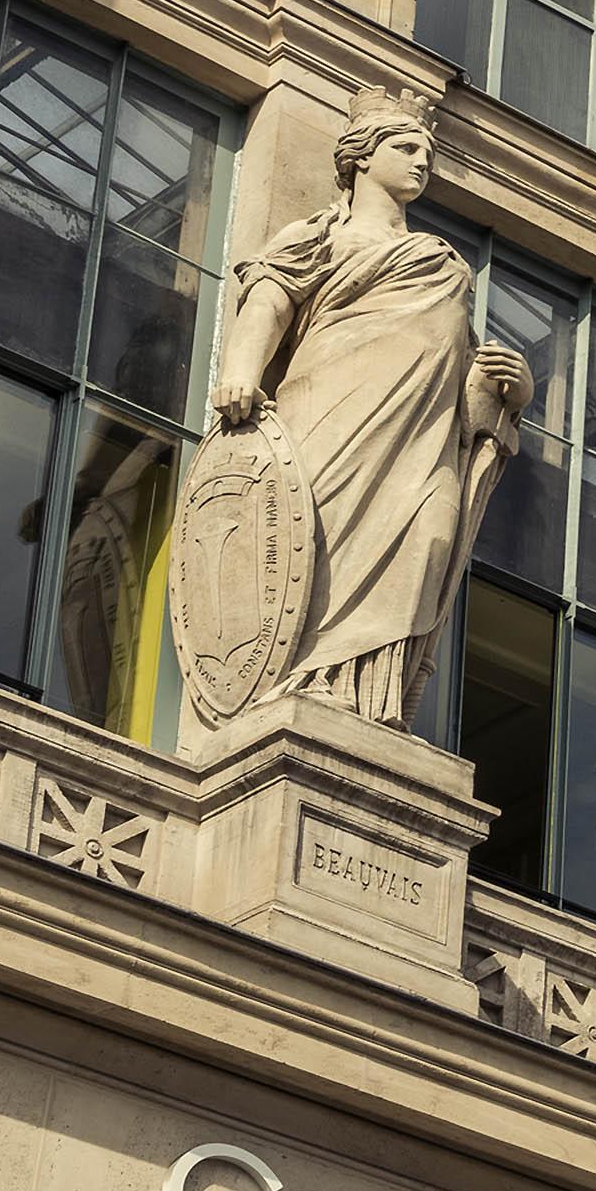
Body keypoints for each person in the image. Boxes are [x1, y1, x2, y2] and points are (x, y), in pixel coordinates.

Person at [201, 85, 531, 727]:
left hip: (422, 440)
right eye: (405, 147)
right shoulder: (316, 237)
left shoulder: (441, 263)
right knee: (312, 548)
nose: (420, 162)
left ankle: (369, 701)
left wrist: (510, 389)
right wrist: (240, 370)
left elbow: (457, 374)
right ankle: (305, 678)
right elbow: (267, 303)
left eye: (427, 153)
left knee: (431, 536)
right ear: (361, 156)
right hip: (330, 418)